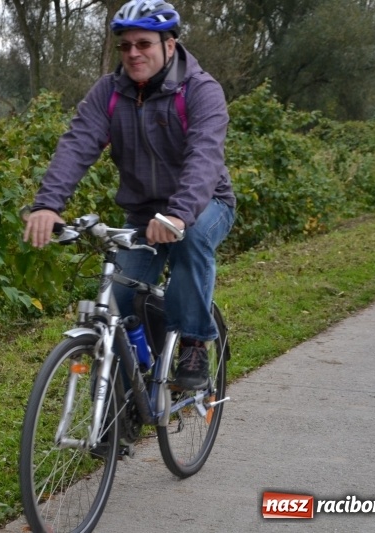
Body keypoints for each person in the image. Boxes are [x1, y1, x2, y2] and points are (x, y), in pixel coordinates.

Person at [22, 0, 235, 390]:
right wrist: (48, 204)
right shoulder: (109, 92)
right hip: (141, 214)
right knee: (117, 304)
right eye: (125, 46)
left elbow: (204, 157)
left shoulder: (200, 90)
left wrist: (179, 214)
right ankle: (116, 412)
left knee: (191, 240)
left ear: (169, 45)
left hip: (205, 204)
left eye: (143, 44)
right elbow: (77, 145)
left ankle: (193, 344)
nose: (133, 53)